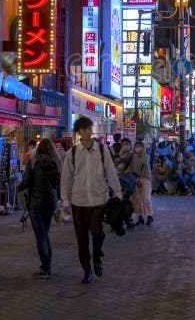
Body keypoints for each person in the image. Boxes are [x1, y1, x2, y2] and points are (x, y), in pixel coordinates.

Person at [61, 116, 122, 284]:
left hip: (99, 198)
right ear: (79, 132)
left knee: (96, 231)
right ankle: (86, 270)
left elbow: (111, 172)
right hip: (78, 201)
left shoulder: (102, 150)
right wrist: (65, 201)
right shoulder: (73, 152)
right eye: (83, 129)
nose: (87, 132)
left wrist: (118, 193)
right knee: (81, 239)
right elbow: (66, 178)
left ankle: (97, 255)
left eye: (89, 128)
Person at [19, 138, 60, 279]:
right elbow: (58, 184)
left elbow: (26, 181)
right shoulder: (56, 163)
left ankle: (46, 268)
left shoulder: (34, 162)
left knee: (41, 237)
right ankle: (47, 266)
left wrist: (18, 187)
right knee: (45, 234)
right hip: (50, 202)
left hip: (36, 203)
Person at [124, 140, 153, 225]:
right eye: (136, 146)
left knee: (146, 199)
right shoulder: (133, 157)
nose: (138, 148)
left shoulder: (146, 156)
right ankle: (140, 217)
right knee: (137, 200)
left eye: (140, 146)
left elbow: (144, 163)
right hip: (136, 180)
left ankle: (149, 216)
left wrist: (143, 152)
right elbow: (130, 168)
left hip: (145, 179)